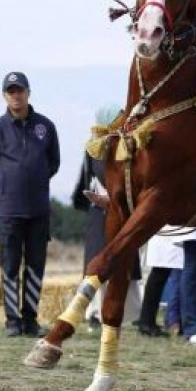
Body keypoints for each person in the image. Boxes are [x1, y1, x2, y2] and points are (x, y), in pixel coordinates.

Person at [0, 71, 60, 337]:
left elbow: (54, 163)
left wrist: (35, 180)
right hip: (9, 211)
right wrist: (8, 185)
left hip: (38, 210)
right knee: (10, 266)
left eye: (20, 90)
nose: (16, 95)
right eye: (11, 91)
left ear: (28, 92)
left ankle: (30, 320)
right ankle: (12, 321)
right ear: (5, 95)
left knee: (36, 266)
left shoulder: (46, 127)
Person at [71, 104, 142, 331]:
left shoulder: (123, 143)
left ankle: (124, 313)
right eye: (119, 117)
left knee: (122, 263)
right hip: (102, 212)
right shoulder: (98, 147)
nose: (123, 120)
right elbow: (101, 176)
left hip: (120, 212)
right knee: (100, 264)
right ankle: (94, 313)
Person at [136, 225, 183, 337]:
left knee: (161, 274)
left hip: (170, 232)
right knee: (159, 274)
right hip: (167, 232)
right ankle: (146, 322)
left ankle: (148, 321)